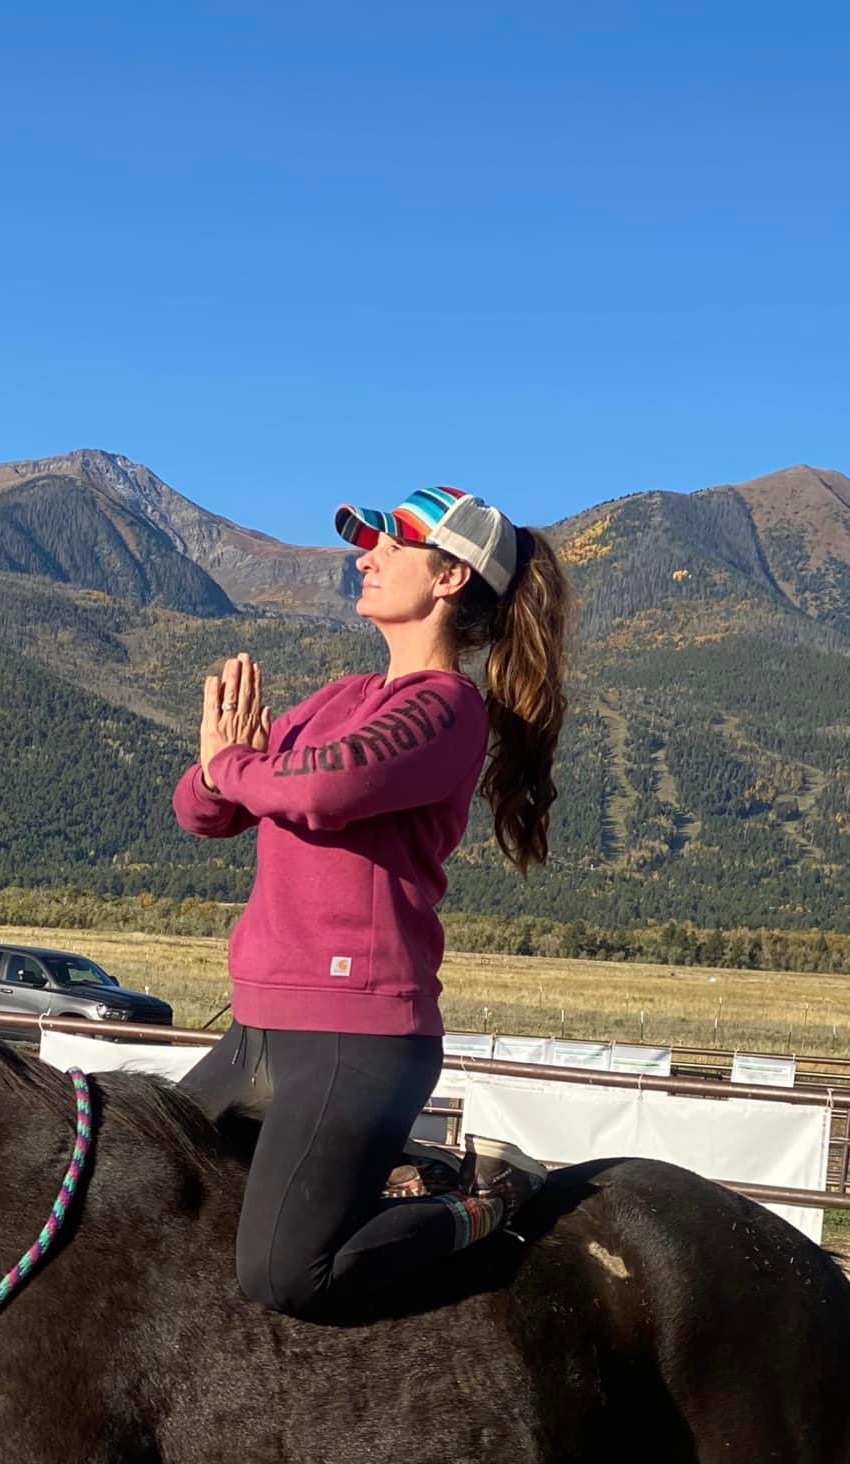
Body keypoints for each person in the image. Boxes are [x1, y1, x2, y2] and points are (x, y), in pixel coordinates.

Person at [172, 485, 570, 1318]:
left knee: (286, 1273)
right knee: (139, 1193)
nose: (367, 558)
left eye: (392, 545)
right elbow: (204, 811)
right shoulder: (340, 699)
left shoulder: (444, 710)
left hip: (356, 1042)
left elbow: (321, 789)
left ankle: (484, 1201)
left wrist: (236, 768)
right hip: (257, 1031)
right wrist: (220, 774)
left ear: (451, 578)